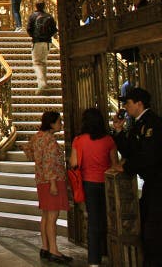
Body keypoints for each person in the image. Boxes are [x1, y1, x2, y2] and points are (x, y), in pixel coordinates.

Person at [112, 87, 162, 267]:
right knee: (147, 224)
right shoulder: (137, 124)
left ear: (139, 104)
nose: (125, 107)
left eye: (128, 103)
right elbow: (130, 151)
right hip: (151, 183)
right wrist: (118, 131)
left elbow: (149, 155)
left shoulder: (152, 123)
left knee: (153, 228)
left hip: (158, 182)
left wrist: (127, 168)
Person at [70, 108, 118, 267]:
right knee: (110, 219)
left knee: (93, 221)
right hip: (107, 183)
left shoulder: (79, 140)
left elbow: (73, 163)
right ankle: (112, 254)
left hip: (88, 184)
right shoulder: (108, 140)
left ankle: (94, 260)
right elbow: (114, 164)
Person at [23, 111, 70, 264]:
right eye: (58, 121)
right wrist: (54, 183)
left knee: (45, 215)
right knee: (52, 217)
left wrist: (37, 162)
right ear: (51, 124)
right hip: (52, 181)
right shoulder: (49, 140)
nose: (61, 124)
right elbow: (50, 163)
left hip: (41, 179)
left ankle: (45, 246)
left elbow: (27, 149)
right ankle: (53, 250)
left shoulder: (37, 136)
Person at [26, 1, 57, 93]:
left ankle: (42, 84)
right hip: (47, 42)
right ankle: (44, 83)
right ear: (44, 6)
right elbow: (54, 30)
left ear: (36, 6)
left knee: (37, 63)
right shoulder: (49, 16)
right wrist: (48, 36)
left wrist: (34, 37)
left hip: (37, 42)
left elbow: (29, 29)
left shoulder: (33, 16)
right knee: (43, 62)